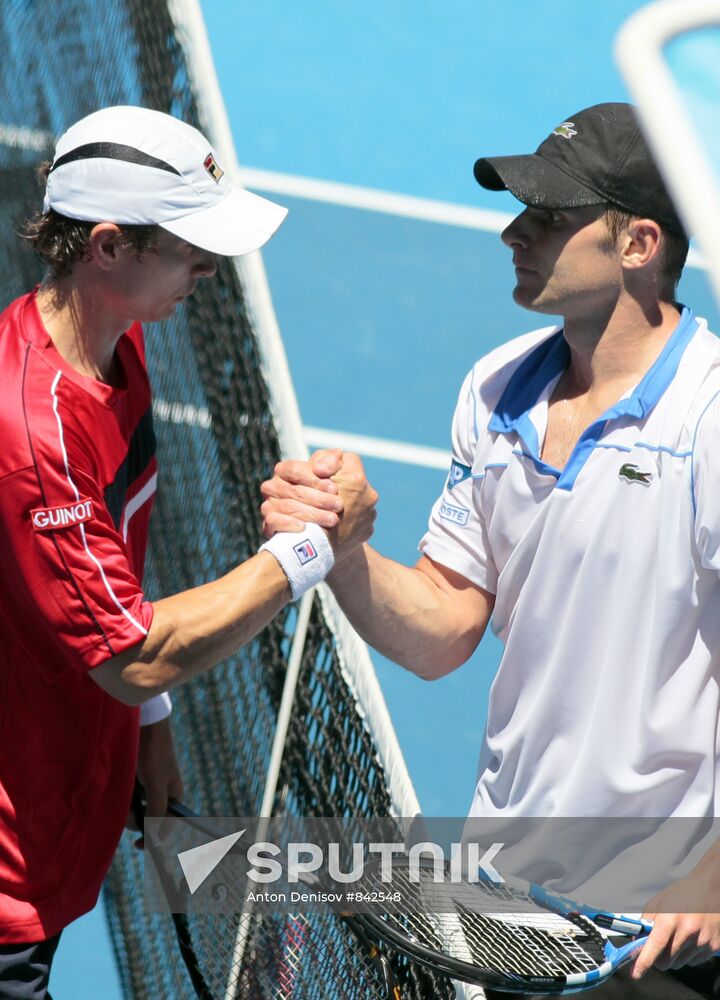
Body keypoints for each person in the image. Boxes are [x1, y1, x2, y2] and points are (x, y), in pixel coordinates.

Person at [261, 103, 720, 998]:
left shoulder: (708, 419)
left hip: (661, 923)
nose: (515, 232)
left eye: (550, 217)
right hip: (511, 900)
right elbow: (444, 629)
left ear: (639, 244)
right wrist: (346, 552)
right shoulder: (496, 385)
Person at [0, 105, 374, 998]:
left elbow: (108, 583)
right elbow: (132, 654)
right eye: (188, 246)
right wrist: (308, 551)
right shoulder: (35, 432)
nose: (210, 268)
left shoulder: (114, 345)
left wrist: (152, 728)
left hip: (54, 821)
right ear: (107, 246)